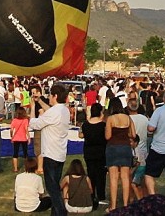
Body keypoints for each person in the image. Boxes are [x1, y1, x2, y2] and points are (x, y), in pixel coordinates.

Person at [29, 83, 71, 216]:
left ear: (55, 96)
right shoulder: (64, 110)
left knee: (52, 189)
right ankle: (55, 213)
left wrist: (32, 107)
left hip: (51, 154)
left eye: (50, 96)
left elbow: (34, 124)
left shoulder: (54, 112)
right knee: (55, 186)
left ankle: (61, 212)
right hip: (60, 153)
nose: (49, 98)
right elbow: (49, 110)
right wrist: (39, 100)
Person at [105, 97, 135, 211]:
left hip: (113, 147)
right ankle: (126, 205)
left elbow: (107, 136)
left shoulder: (110, 119)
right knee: (125, 177)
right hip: (125, 148)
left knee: (113, 178)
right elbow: (133, 134)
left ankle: (113, 206)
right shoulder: (128, 118)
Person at [79, 103, 106, 207]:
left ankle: (91, 194)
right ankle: (101, 196)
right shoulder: (103, 125)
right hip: (101, 152)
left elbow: (80, 135)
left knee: (91, 174)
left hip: (89, 152)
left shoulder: (85, 124)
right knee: (101, 175)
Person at [11, 106, 31, 174]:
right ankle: (27, 167)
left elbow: (11, 130)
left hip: (16, 138)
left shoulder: (14, 120)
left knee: (15, 154)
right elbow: (26, 130)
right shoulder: (25, 120)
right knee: (25, 153)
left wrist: (11, 137)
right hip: (23, 139)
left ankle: (15, 168)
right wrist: (29, 138)